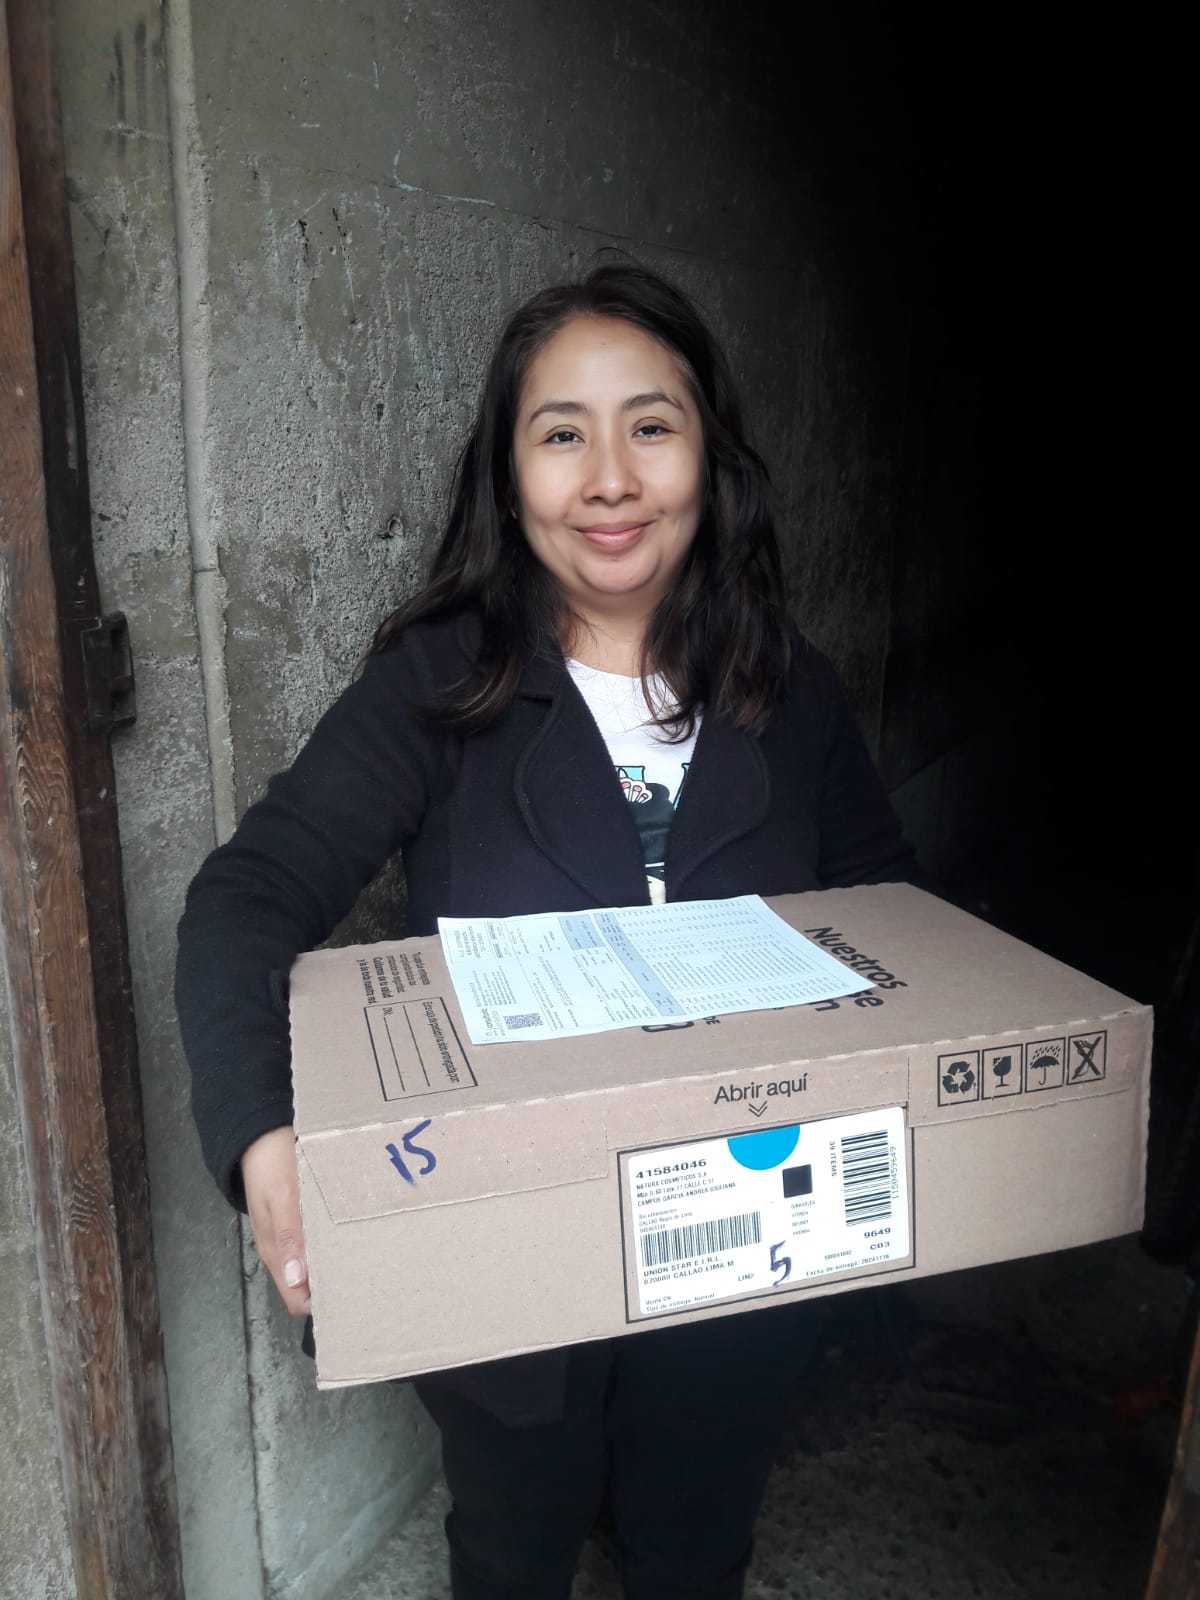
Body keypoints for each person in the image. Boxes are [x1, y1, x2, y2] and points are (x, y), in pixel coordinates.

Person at [176, 260, 919, 1600]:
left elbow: (889, 911)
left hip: (738, 1249)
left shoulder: (788, 689)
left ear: (710, 459)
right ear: (509, 474)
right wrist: (261, 1134)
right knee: (514, 1550)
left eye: (652, 426)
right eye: (563, 434)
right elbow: (248, 895)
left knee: (692, 1549)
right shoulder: (442, 683)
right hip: (508, 1274)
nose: (610, 480)